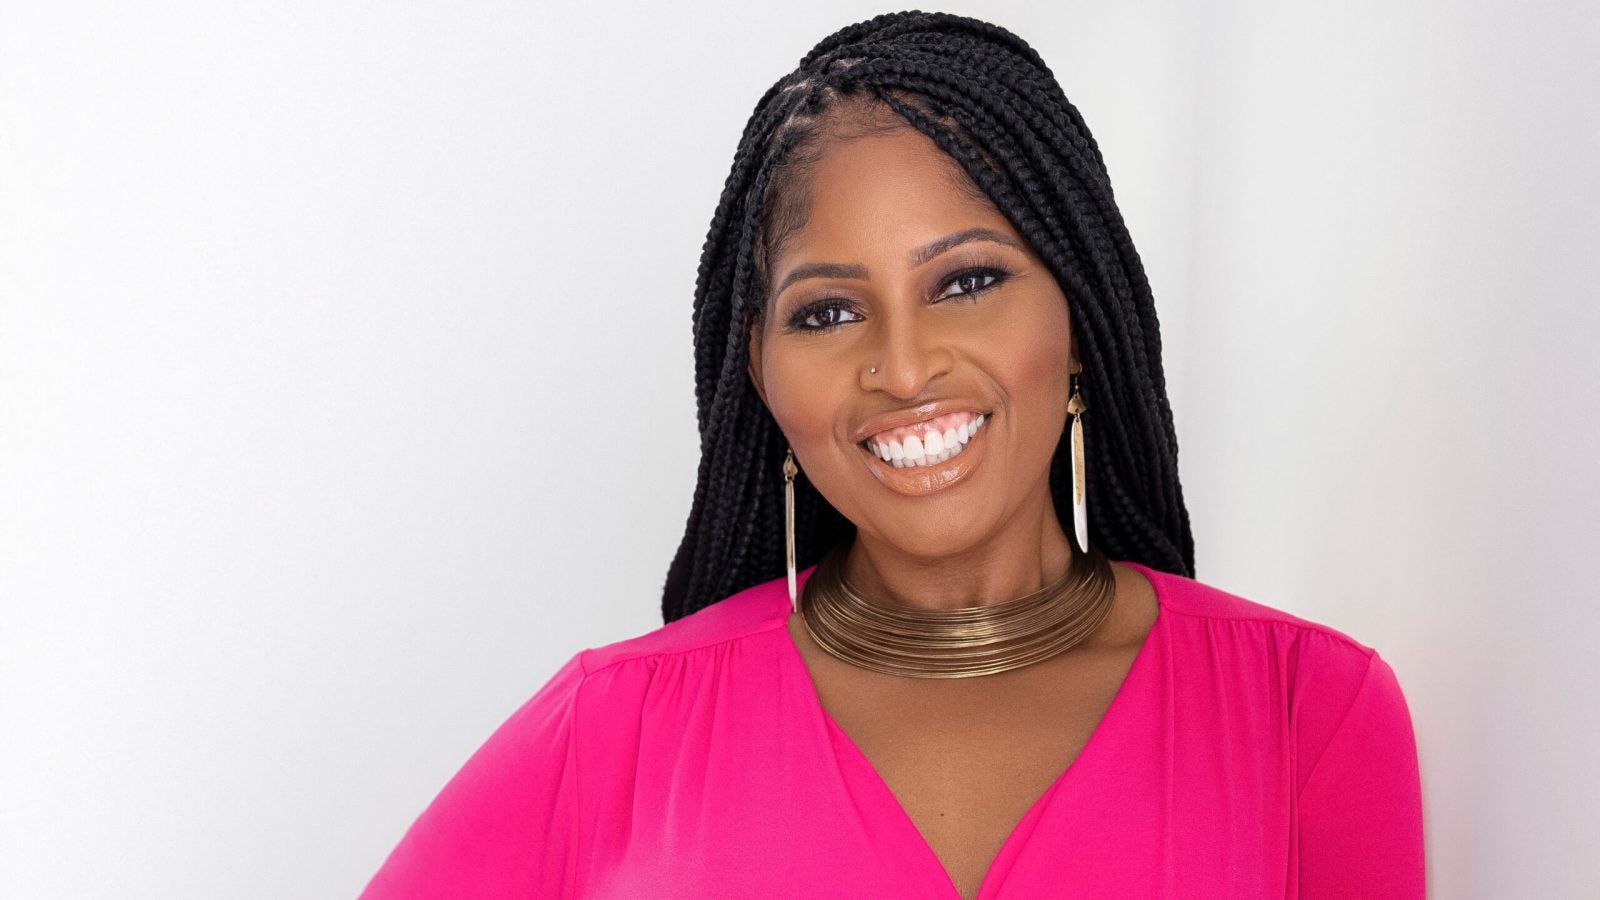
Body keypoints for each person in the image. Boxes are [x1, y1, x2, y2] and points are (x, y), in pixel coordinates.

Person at [360, 11, 1423, 898]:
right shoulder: (616, 729)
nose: (904, 369)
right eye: (827, 312)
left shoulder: (1304, 714)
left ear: (1079, 314)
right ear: (764, 374)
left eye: (965, 282)